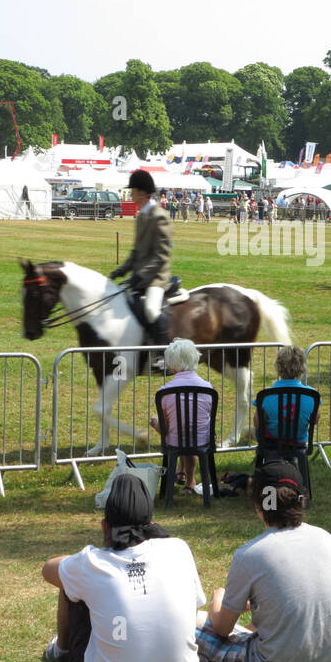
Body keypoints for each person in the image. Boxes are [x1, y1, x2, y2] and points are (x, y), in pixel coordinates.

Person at [43, 474, 204, 662]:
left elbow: (48, 569)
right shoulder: (179, 549)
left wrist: (78, 562)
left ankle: (61, 652)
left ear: (104, 526)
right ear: (152, 521)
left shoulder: (91, 563)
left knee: (70, 584)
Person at [196, 460, 331, 662]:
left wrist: (218, 599)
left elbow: (222, 629)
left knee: (191, 628)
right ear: (301, 500)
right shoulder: (326, 538)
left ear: (259, 506)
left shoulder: (249, 554)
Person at [110, 168, 173, 372]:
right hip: (140, 276)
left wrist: (141, 275)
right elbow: (137, 251)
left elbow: (161, 255)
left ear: (143, 192)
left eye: (133, 190)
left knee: (151, 310)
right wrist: (122, 270)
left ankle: (164, 356)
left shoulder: (159, 216)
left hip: (157, 278)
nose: (130, 194)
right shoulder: (141, 217)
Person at [148, 338, 214, 494]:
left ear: (171, 365)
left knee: (179, 430)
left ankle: (183, 476)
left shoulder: (164, 392)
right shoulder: (207, 388)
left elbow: (164, 428)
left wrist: (154, 423)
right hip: (203, 440)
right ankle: (189, 480)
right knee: (188, 428)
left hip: (175, 442)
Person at [259, 344, 318, 448]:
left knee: (259, 429)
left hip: (272, 443)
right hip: (298, 443)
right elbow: (315, 420)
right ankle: (293, 458)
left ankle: (265, 457)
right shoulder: (312, 395)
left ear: (277, 366)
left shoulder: (266, 395)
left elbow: (257, 422)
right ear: (303, 367)